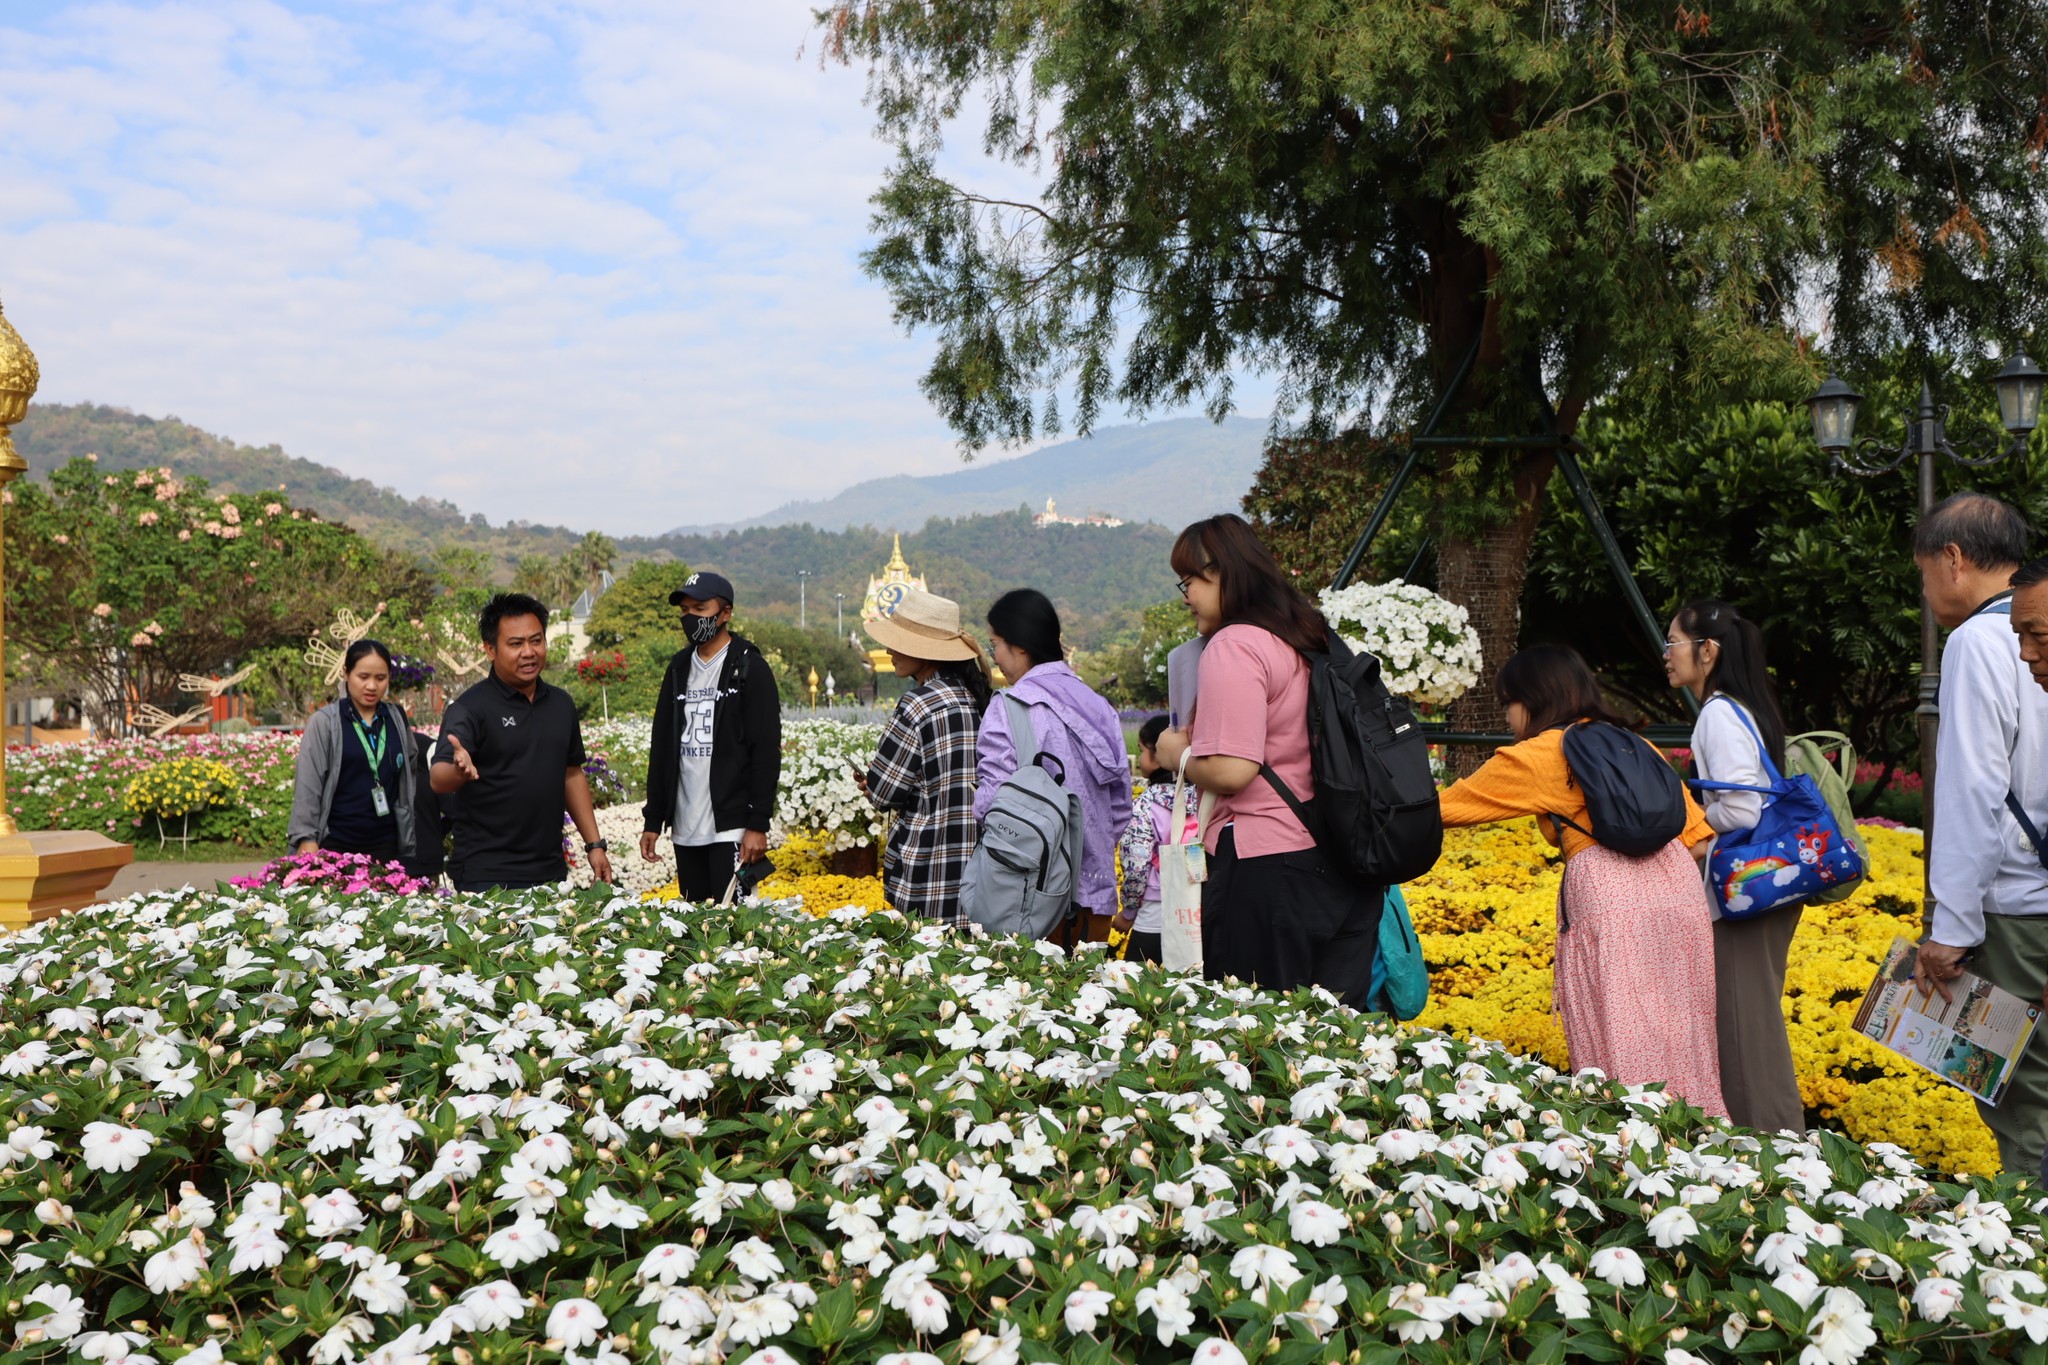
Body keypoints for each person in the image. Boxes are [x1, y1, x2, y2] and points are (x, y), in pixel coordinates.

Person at [1437, 644, 1727, 1117]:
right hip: (1678, 889)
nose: (1508, 716)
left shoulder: (1539, 754)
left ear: (1532, 700)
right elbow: (1697, 839)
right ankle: (1699, 1136)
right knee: (1684, 1033)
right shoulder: (1636, 744)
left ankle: (1631, 1139)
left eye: (1509, 703)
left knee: (1617, 1034)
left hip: (1607, 891)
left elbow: (1443, 809)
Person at [1152, 514, 1380, 1008]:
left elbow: (1234, 770)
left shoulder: (1235, 644)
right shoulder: (1307, 636)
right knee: (1334, 1036)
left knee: (1254, 1028)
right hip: (1341, 860)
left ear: (1225, 572)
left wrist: (1177, 754)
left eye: (1191, 579)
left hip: (1266, 868)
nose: (1186, 595)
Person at [1907, 493, 2048, 1175]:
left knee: (2025, 1100)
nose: (1926, 590)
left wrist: (1952, 927)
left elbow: (1971, 792)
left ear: (1953, 558)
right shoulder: (2029, 630)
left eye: (1924, 573)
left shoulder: (1975, 641)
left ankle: (2030, 1231)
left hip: (2015, 914)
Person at [1666, 599, 1804, 1132]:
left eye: (1674, 642)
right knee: (1752, 1024)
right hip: (1768, 884)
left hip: (1745, 891)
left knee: (1747, 1034)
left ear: (1708, 650)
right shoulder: (1746, 706)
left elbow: (1743, 808)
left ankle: (1773, 1148)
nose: (1667, 654)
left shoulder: (1719, 713)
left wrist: (1695, 825)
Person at [976, 589, 1132, 942]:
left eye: (994, 644)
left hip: (1027, 899)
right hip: (1095, 901)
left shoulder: (1009, 707)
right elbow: (1121, 806)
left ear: (1020, 645)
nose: (994, 656)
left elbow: (991, 804)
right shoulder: (1099, 706)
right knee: (1088, 979)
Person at [431, 593, 612, 892]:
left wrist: (594, 845)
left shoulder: (561, 704)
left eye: (536, 641)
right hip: (486, 875)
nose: (529, 652)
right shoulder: (469, 708)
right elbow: (438, 778)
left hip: (550, 869)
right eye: (516, 644)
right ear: (490, 649)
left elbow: (571, 774)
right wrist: (459, 771)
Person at [638, 571, 782, 902]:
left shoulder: (749, 667)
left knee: (733, 923)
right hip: (686, 828)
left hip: (731, 828)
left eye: (700, 609)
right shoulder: (678, 668)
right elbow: (662, 748)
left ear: (725, 613)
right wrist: (654, 819)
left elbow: (765, 751)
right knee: (694, 922)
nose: (691, 618)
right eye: (685, 610)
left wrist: (757, 824)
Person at [858, 588, 992, 923]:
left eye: (898, 642)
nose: (889, 650)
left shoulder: (917, 705)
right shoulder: (981, 700)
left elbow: (884, 793)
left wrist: (870, 783)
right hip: (983, 876)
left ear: (926, 651)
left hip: (929, 875)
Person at [286, 639, 430, 875]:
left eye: (380, 678)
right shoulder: (325, 722)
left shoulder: (395, 718)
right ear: (346, 674)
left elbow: (408, 776)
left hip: (386, 845)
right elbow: (308, 785)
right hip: (335, 845)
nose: (372, 686)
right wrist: (306, 837)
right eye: (363, 677)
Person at [1113, 713, 1181, 964]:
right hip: (1196, 909)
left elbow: (1137, 864)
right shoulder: (1202, 796)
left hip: (1154, 911)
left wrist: (1128, 911)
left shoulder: (1147, 804)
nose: (1140, 759)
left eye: (1142, 750)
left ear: (1159, 751)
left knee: (1138, 981)